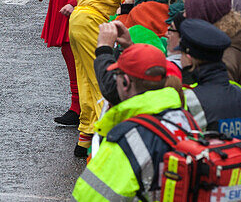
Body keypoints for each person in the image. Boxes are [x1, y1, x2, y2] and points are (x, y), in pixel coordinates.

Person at [72, 43, 196, 201]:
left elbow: (88, 198)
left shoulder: (127, 139)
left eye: (116, 75)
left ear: (125, 82)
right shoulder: (187, 120)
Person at [69, 0, 130, 156]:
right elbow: (128, 1)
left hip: (77, 19)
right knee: (100, 82)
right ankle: (103, 139)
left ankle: (85, 137)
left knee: (85, 79)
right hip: (95, 21)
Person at [179, 18, 241, 140]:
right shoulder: (240, 92)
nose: (180, 60)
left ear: (189, 58)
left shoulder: (190, 100)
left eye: (181, 54)